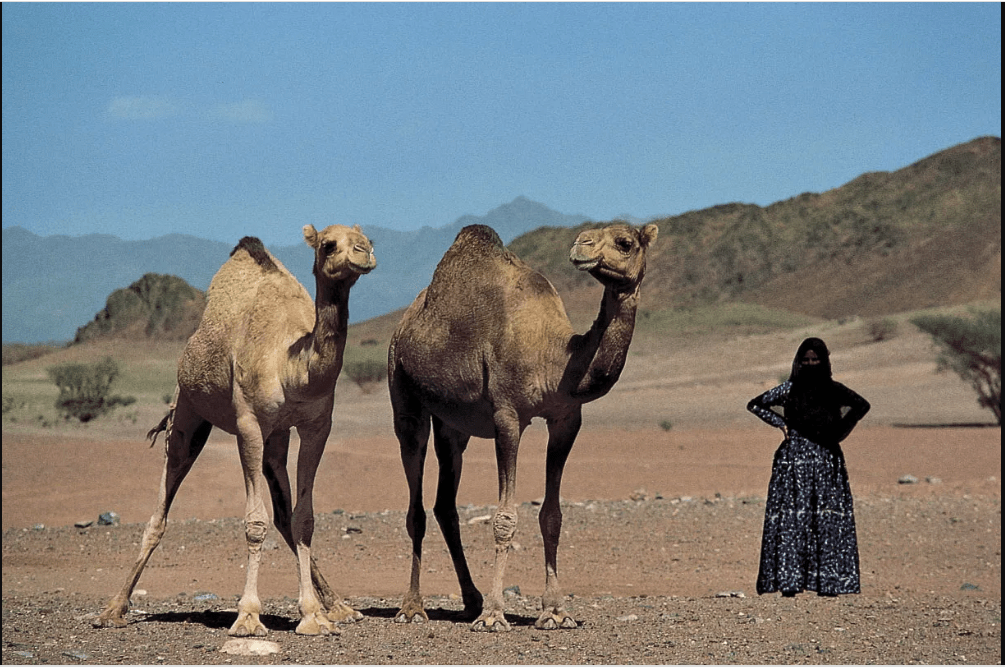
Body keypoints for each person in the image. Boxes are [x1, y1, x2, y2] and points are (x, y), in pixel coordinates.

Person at [747, 337, 870, 597]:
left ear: (825, 361)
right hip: (793, 462)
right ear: (798, 362)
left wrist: (837, 432)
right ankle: (789, 583)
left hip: (827, 462)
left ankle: (828, 583)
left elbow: (861, 406)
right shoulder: (789, 389)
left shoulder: (834, 390)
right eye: (806, 360)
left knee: (826, 520)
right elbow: (756, 404)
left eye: (816, 360)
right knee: (793, 520)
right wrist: (781, 424)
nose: (811, 364)